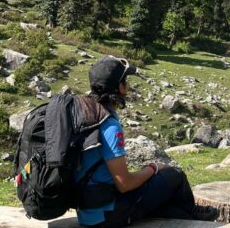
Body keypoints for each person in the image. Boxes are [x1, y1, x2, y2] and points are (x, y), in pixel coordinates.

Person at [76, 55, 216, 227]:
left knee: (161, 200)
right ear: (120, 87)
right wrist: (153, 168)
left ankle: (186, 216)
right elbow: (124, 184)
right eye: (125, 81)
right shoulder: (109, 126)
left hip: (89, 212)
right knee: (175, 175)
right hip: (108, 215)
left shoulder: (86, 117)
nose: (128, 86)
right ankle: (191, 218)